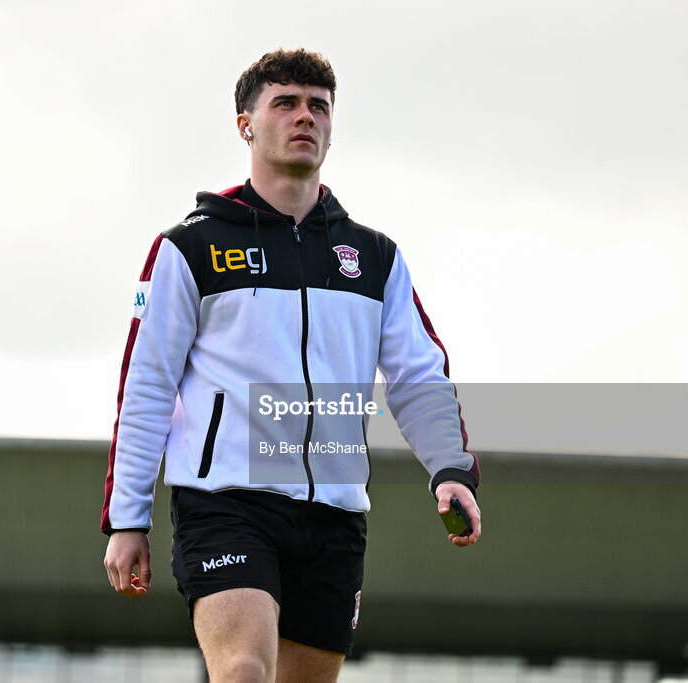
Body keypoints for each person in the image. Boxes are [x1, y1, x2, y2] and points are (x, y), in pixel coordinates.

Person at [101, 48, 482, 683]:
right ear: (246, 123)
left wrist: (449, 468)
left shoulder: (376, 258)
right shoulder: (188, 248)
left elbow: (419, 378)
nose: (305, 117)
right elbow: (145, 388)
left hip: (334, 516)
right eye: (285, 103)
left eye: (318, 107)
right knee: (245, 670)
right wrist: (127, 518)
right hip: (224, 503)